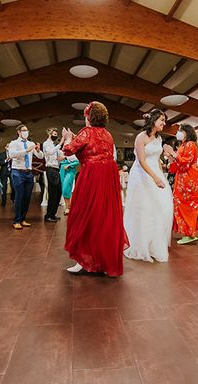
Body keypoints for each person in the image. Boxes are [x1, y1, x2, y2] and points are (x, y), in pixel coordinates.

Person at [61, 101, 127, 275]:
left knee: (84, 215)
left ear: (88, 117)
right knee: (105, 216)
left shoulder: (87, 132)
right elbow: (92, 147)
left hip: (93, 175)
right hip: (108, 175)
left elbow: (68, 150)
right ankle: (104, 260)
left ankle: (84, 260)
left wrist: (68, 138)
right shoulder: (108, 134)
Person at [123, 109, 173, 262]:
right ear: (153, 121)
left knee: (161, 207)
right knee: (143, 208)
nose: (164, 123)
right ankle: (140, 242)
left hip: (156, 174)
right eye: (162, 120)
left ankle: (154, 242)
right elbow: (142, 161)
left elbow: (156, 159)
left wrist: (162, 172)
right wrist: (155, 178)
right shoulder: (141, 137)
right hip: (141, 176)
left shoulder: (159, 139)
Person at [163, 124, 198, 245]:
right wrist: (170, 156)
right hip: (183, 179)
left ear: (187, 132)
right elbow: (177, 165)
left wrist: (173, 154)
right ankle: (195, 232)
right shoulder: (183, 145)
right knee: (186, 206)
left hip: (189, 180)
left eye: (180, 131)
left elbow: (185, 163)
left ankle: (189, 234)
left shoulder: (190, 144)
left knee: (186, 207)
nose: (178, 133)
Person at [8, 125, 44, 229]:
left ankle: (23, 218)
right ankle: (16, 220)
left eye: (27, 130)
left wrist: (37, 150)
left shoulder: (30, 143)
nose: (26, 132)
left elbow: (41, 156)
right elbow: (12, 154)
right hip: (17, 172)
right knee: (19, 196)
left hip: (29, 173)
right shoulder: (14, 143)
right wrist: (26, 151)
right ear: (19, 132)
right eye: (24, 130)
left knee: (27, 197)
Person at [43, 128, 63, 222]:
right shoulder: (46, 143)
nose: (55, 135)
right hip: (50, 169)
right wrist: (60, 143)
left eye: (56, 134)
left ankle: (53, 214)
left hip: (56, 169)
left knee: (58, 192)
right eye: (54, 134)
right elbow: (50, 152)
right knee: (53, 193)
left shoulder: (53, 144)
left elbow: (55, 155)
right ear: (49, 134)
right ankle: (49, 215)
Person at [0, 143, 13, 207]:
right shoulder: (2, 154)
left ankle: (13, 198)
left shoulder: (14, 153)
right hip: (4, 172)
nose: (8, 148)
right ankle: (3, 202)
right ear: (5, 147)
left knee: (14, 187)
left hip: (12, 171)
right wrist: (6, 160)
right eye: (7, 146)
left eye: (10, 147)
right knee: (4, 188)